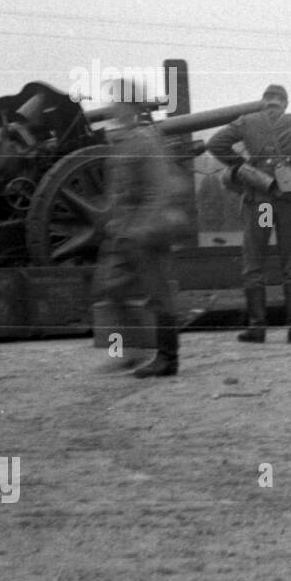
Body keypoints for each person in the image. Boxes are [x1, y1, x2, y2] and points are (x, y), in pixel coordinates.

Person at [207, 83, 291, 343]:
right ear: (284, 103)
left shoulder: (247, 121)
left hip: (262, 202)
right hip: (287, 201)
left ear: (265, 101)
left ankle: (257, 327)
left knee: (254, 260)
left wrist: (242, 167)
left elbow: (215, 143)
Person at [93, 78, 192, 377]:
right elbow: (120, 191)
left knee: (160, 295)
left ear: (132, 107)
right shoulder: (123, 140)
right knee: (111, 286)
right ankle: (131, 352)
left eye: (119, 103)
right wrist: (115, 220)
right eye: (114, 102)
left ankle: (167, 359)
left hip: (149, 232)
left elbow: (158, 191)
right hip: (125, 231)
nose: (114, 108)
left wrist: (143, 228)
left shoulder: (146, 140)